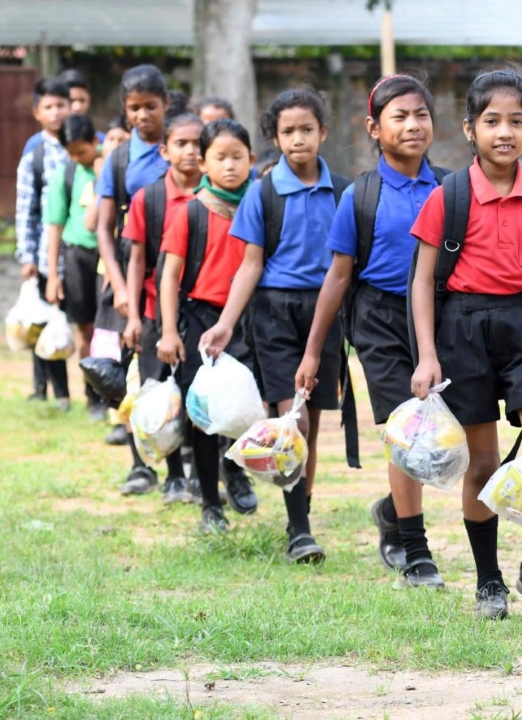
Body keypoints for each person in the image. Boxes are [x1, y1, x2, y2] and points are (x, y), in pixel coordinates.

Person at [408, 67, 522, 619]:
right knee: (481, 464)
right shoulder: (448, 197)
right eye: (491, 121)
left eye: (516, 121)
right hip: (464, 329)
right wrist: (428, 354)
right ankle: (489, 581)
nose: (504, 132)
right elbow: (421, 282)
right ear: (468, 129)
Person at [295, 74, 447, 585]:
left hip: (441, 317)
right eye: (399, 116)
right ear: (373, 128)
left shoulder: (453, 188)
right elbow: (338, 276)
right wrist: (314, 353)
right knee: (404, 433)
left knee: (444, 438)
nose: (412, 125)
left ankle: (391, 509)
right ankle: (416, 550)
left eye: (420, 115)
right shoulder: (361, 196)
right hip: (379, 321)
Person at [200, 88, 350, 564]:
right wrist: (226, 323)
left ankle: (296, 517)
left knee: (314, 422)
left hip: (325, 314)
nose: (299, 138)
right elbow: (249, 265)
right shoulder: (263, 193)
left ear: (323, 132)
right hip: (274, 313)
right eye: (288, 131)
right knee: (294, 418)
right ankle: (301, 531)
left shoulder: (343, 192)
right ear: (275, 137)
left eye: (307, 129)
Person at [157, 119, 258, 532]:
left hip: (249, 320)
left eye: (238, 157)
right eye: (220, 157)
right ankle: (210, 504)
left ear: (251, 160)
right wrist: (166, 331)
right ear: (203, 163)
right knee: (202, 416)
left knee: (244, 406)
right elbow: (169, 275)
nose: (230, 166)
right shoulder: (190, 212)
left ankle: (235, 470)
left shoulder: (257, 206)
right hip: (200, 320)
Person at [120, 112, 209, 506]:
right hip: (159, 310)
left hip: (205, 310)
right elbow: (137, 258)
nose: (190, 152)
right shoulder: (149, 198)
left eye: (197, 144)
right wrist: (135, 315)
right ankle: (172, 475)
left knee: (197, 393)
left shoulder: (216, 196)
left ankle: (203, 475)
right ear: (164, 150)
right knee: (160, 394)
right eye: (181, 144)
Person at [94, 64, 171, 494]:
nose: (143, 116)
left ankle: (184, 463)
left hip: (175, 264)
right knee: (123, 366)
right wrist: (120, 286)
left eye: (151, 107)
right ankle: (139, 463)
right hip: (126, 267)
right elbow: (104, 228)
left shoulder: (180, 146)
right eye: (134, 108)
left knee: (166, 363)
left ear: (166, 105)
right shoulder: (120, 158)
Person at [14, 77, 72, 410]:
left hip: (77, 253)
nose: (55, 113)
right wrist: (27, 255)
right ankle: (54, 391)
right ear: (37, 112)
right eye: (48, 107)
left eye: (61, 105)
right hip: (45, 257)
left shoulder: (82, 145)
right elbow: (25, 209)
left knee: (74, 323)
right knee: (45, 322)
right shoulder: (34, 155)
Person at [43, 114, 105, 419]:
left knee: (107, 329)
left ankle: (112, 394)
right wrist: (53, 274)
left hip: (107, 258)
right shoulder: (65, 174)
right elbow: (54, 227)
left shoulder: (109, 166)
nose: (75, 157)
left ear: (96, 142)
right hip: (77, 256)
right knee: (85, 328)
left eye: (80, 151)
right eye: (70, 152)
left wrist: (101, 174)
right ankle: (92, 394)